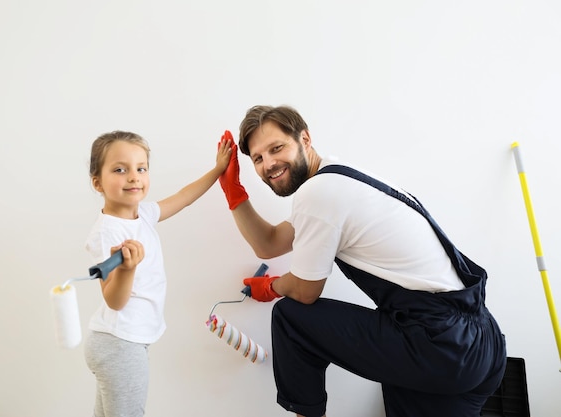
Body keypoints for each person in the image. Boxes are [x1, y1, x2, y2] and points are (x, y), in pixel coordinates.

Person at [217, 105, 507, 417]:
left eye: (276, 148)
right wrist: (234, 192)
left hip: (439, 343)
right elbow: (270, 242)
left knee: (291, 318)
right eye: (258, 159)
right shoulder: (337, 177)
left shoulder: (318, 193)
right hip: (479, 342)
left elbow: (304, 291)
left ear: (304, 139)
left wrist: (273, 287)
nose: (269, 164)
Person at [84, 130, 231, 417]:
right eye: (120, 169)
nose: (133, 177)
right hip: (119, 344)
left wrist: (218, 170)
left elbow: (184, 197)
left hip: (123, 341)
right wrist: (128, 270)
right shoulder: (107, 231)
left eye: (141, 168)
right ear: (97, 182)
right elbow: (114, 300)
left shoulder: (145, 215)